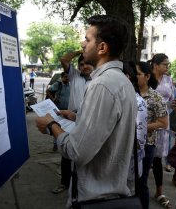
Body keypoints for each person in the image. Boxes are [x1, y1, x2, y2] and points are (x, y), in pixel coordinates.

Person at [35, 15, 137, 206]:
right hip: (109, 192)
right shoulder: (121, 80)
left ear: (102, 48)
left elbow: (77, 151)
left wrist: (52, 125)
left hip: (95, 198)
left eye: (87, 39)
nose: (82, 44)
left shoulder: (102, 85)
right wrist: (77, 117)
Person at [50, 51, 93, 194]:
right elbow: (64, 59)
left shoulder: (98, 80)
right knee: (66, 152)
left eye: (88, 63)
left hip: (89, 121)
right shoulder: (74, 75)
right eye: (82, 64)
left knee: (86, 153)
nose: (85, 66)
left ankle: (83, 185)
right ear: (78, 67)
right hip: (70, 119)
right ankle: (64, 183)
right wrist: (82, 51)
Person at [136, 61, 168, 209]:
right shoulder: (129, 93)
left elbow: (163, 123)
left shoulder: (156, 98)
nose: (133, 77)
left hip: (146, 146)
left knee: (141, 182)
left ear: (147, 76)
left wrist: (140, 128)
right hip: (127, 143)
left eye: (138, 74)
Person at [149, 53, 176, 208]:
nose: (167, 67)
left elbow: (170, 99)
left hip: (162, 123)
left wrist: (173, 104)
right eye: (165, 64)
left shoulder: (168, 80)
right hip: (146, 122)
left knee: (157, 158)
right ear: (156, 65)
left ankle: (159, 192)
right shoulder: (147, 77)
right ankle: (136, 189)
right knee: (142, 155)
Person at [122, 61, 148, 195]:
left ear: (127, 77)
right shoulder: (119, 98)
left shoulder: (137, 102)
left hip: (127, 166)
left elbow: (139, 142)